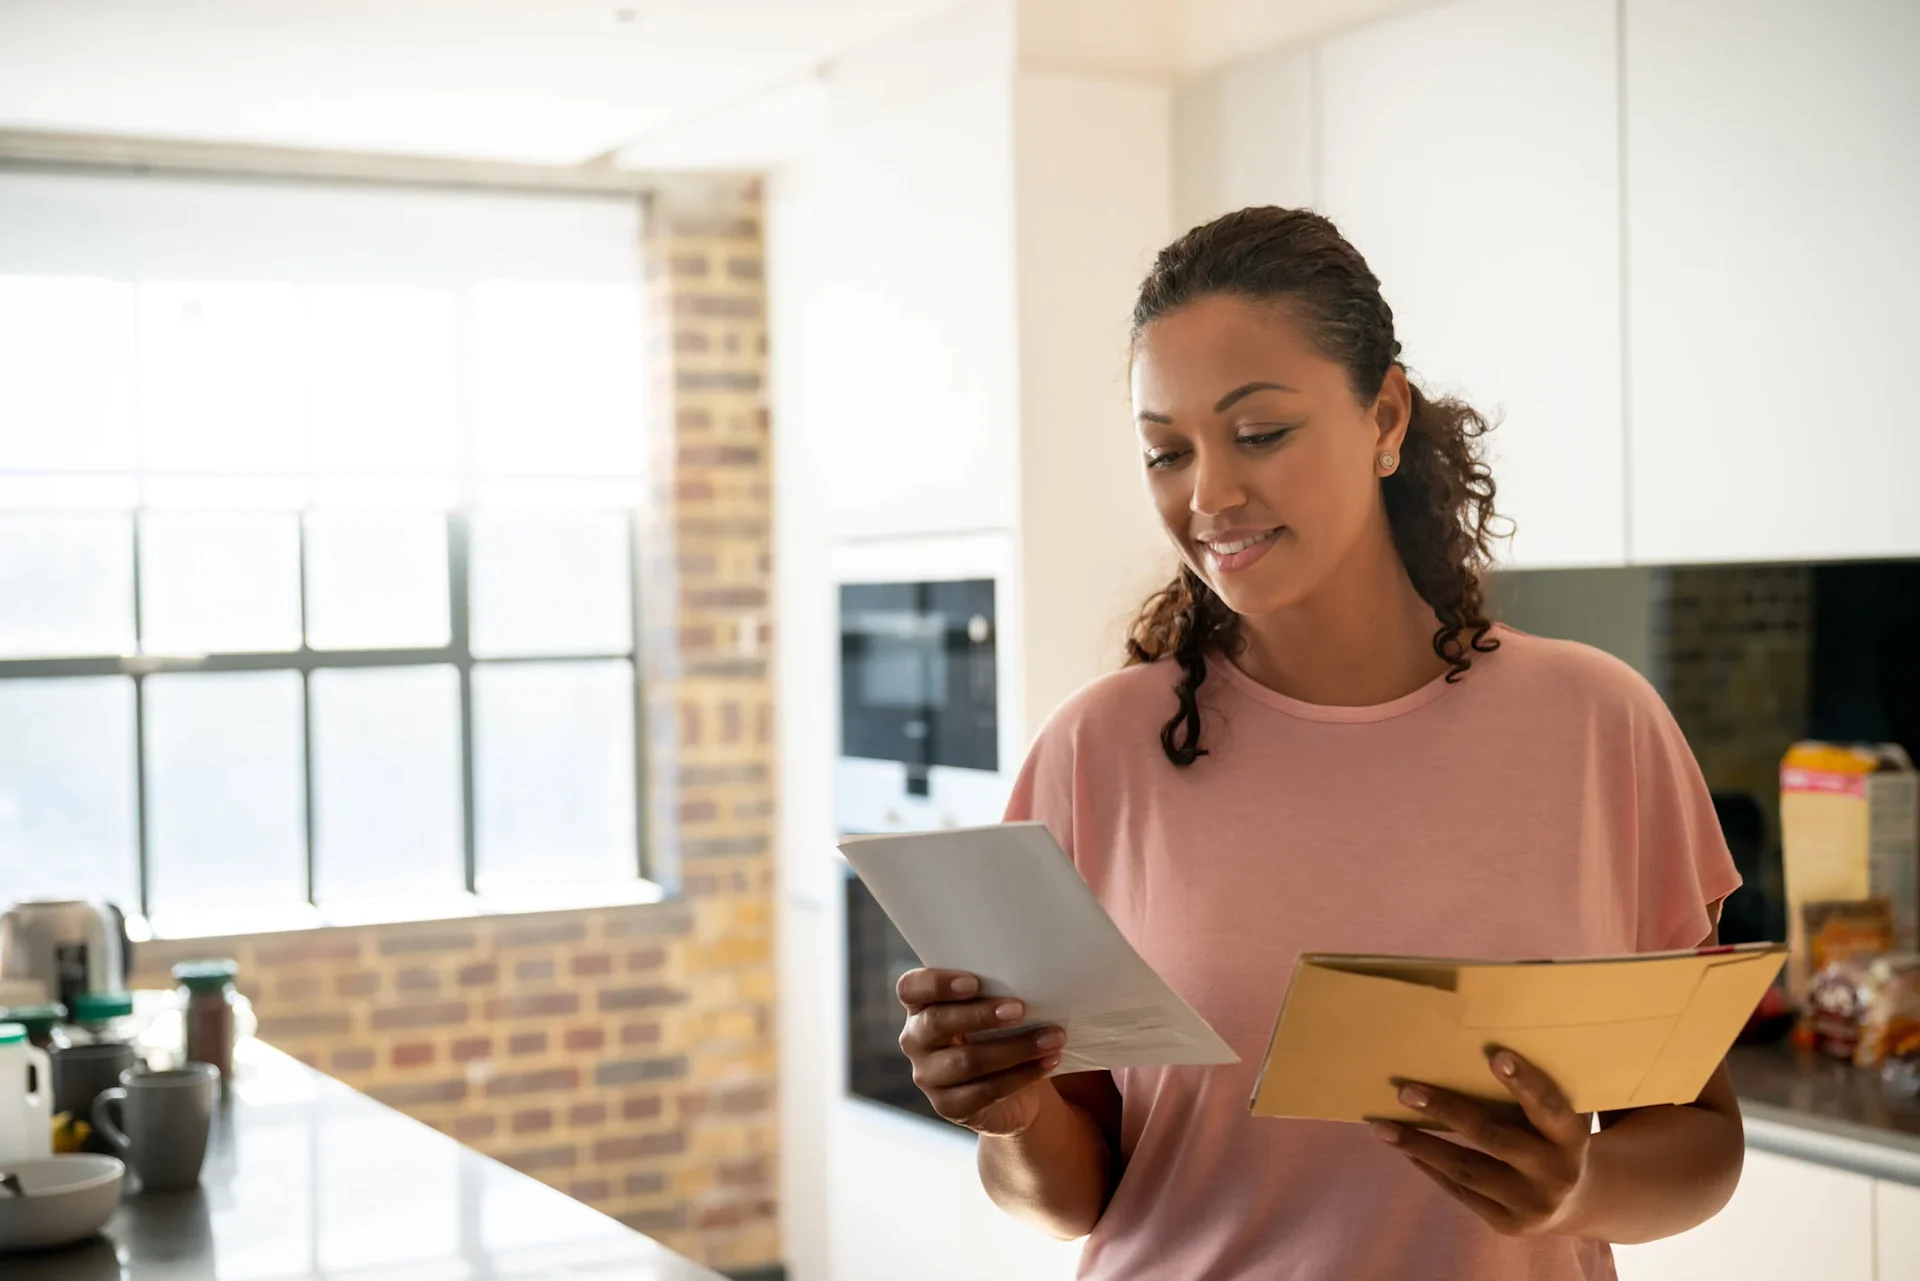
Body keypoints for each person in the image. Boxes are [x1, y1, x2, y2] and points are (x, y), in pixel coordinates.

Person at [893, 207, 1745, 1280]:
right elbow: (1071, 1199)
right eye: (1166, 451)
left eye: (1260, 434)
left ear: (1385, 415)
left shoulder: (1597, 727)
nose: (1208, 495)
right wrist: (1009, 1112)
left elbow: (1704, 1142)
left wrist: (1576, 1189)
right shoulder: (1096, 753)